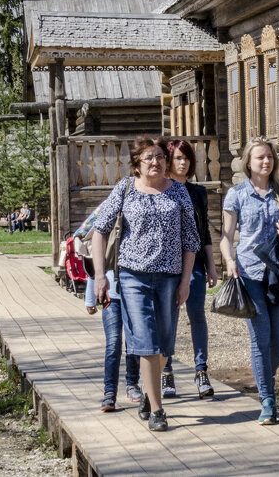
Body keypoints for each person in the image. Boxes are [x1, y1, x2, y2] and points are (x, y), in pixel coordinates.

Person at [91, 135, 200, 433]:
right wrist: (100, 276)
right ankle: (158, 409)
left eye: (160, 157)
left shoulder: (178, 192)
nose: (156, 162)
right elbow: (99, 231)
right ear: (137, 165)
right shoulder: (125, 189)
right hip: (132, 276)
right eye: (149, 158)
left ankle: (147, 394)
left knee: (165, 344)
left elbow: (191, 240)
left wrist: (186, 281)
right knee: (147, 341)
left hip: (170, 277)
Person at [220, 136, 279, 425]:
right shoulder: (237, 195)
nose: (265, 161)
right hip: (250, 272)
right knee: (260, 338)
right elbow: (227, 237)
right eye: (260, 157)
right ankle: (267, 400)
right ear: (248, 163)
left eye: (269, 157)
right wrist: (229, 261)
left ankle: (264, 373)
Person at [162, 139, 219, 400]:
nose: (183, 162)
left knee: (197, 314)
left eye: (186, 158)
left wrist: (212, 265)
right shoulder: (160, 190)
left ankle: (201, 371)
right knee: (169, 318)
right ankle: (166, 370)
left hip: (194, 262)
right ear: (169, 161)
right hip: (166, 265)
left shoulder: (198, 192)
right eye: (178, 158)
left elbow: (204, 230)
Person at [84, 268, 142, 412]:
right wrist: (90, 298)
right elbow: (94, 262)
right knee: (113, 343)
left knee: (134, 342)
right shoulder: (107, 243)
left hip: (134, 294)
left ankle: (132, 383)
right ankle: (109, 392)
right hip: (111, 295)